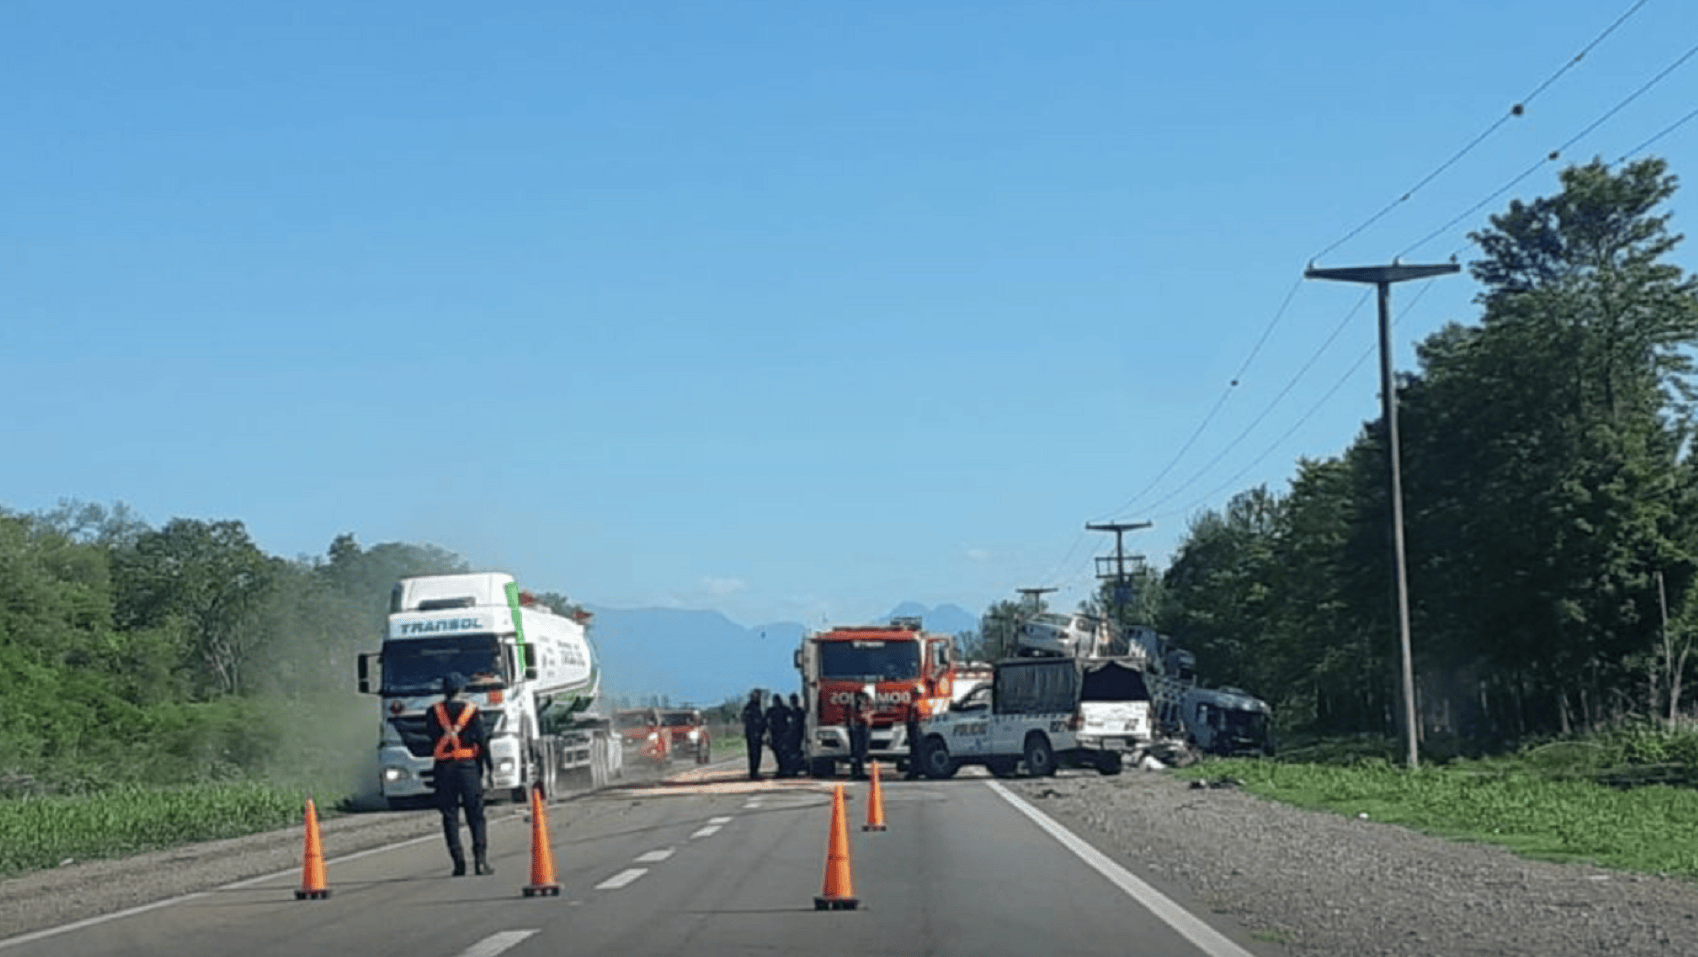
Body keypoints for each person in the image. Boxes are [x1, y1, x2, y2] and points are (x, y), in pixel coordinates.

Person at [424, 671, 493, 877]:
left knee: (450, 816)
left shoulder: (433, 711)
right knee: (476, 815)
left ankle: (458, 863)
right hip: (467, 767)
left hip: (444, 768)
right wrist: (487, 768)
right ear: (462, 689)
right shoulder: (472, 710)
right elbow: (482, 741)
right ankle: (480, 861)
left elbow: (430, 737)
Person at [847, 685, 874, 780]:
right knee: (860, 751)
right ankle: (858, 773)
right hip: (860, 727)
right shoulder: (861, 700)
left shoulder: (859, 699)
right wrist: (866, 716)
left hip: (860, 727)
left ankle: (857, 772)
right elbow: (860, 713)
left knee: (860, 752)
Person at [740, 689, 767, 780]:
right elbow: (745, 718)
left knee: (757, 753)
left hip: (758, 733)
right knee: (753, 753)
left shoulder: (759, 706)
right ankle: (753, 772)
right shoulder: (749, 707)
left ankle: (755, 771)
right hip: (752, 734)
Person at [766, 694, 791, 777]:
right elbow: (766, 721)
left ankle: (784, 769)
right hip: (775, 734)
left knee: (783, 752)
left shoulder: (785, 709)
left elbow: (790, 720)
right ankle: (781, 768)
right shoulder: (771, 710)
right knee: (777, 752)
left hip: (783, 733)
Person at [785, 693, 807, 777]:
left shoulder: (800, 712)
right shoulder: (789, 712)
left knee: (796, 753)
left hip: (798, 735)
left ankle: (795, 769)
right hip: (791, 735)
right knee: (791, 753)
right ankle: (792, 769)